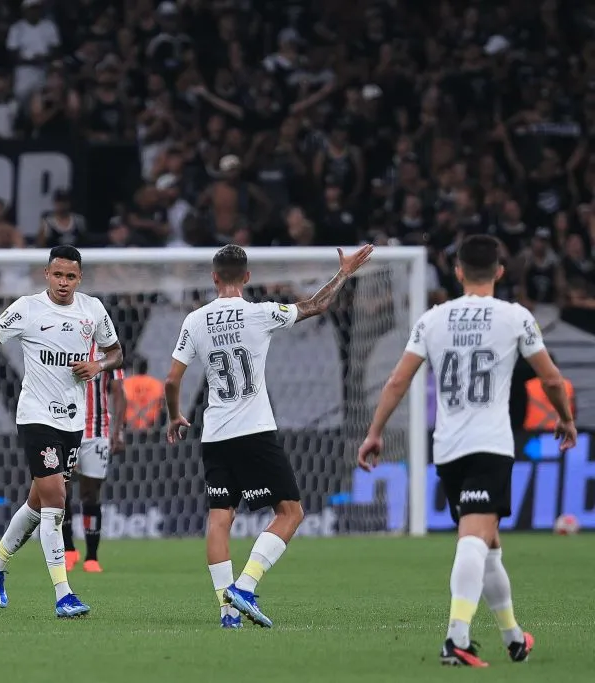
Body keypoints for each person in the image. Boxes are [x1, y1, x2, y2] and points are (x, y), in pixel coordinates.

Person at [357, 235, 576, 667]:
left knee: (489, 543)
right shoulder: (515, 317)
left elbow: (397, 381)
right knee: (475, 538)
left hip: (448, 449)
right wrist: (565, 418)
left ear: (457, 271)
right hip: (490, 445)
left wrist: (375, 431)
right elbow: (550, 379)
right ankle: (456, 638)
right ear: (499, 272)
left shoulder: (433, 319)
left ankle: (514, 638)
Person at [165, 243, 373, 629]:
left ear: (214, 278)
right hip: (254, 431)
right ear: (246, 278)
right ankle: (245, 586)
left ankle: (227, 613)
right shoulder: (261, 314)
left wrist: (174, 415)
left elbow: (172, 379)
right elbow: (315, 305)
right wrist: (344, 273)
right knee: (291, 512)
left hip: (214, 434)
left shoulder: (194, 320)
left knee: (219, 518)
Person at [0, 245, 123, 618]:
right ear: (46, 274)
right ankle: (63, 594)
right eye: (58, 275)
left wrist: (97, 365)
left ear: (79, 277)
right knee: (57, 500)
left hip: (74, 421)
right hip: (36, 417)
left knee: (38, 503)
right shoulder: (27, 308)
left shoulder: (93, 310)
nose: (64, 283)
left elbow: (117, 352)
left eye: (71, 276)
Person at [62, 346, 125, 573]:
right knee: (62, 492)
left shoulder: (108, 349)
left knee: (90, 494)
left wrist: (118, 432)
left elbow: (118, 391)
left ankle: (91, 556)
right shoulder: (66, 341)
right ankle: (68, 550)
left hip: (97, 433)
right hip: (65, 428)